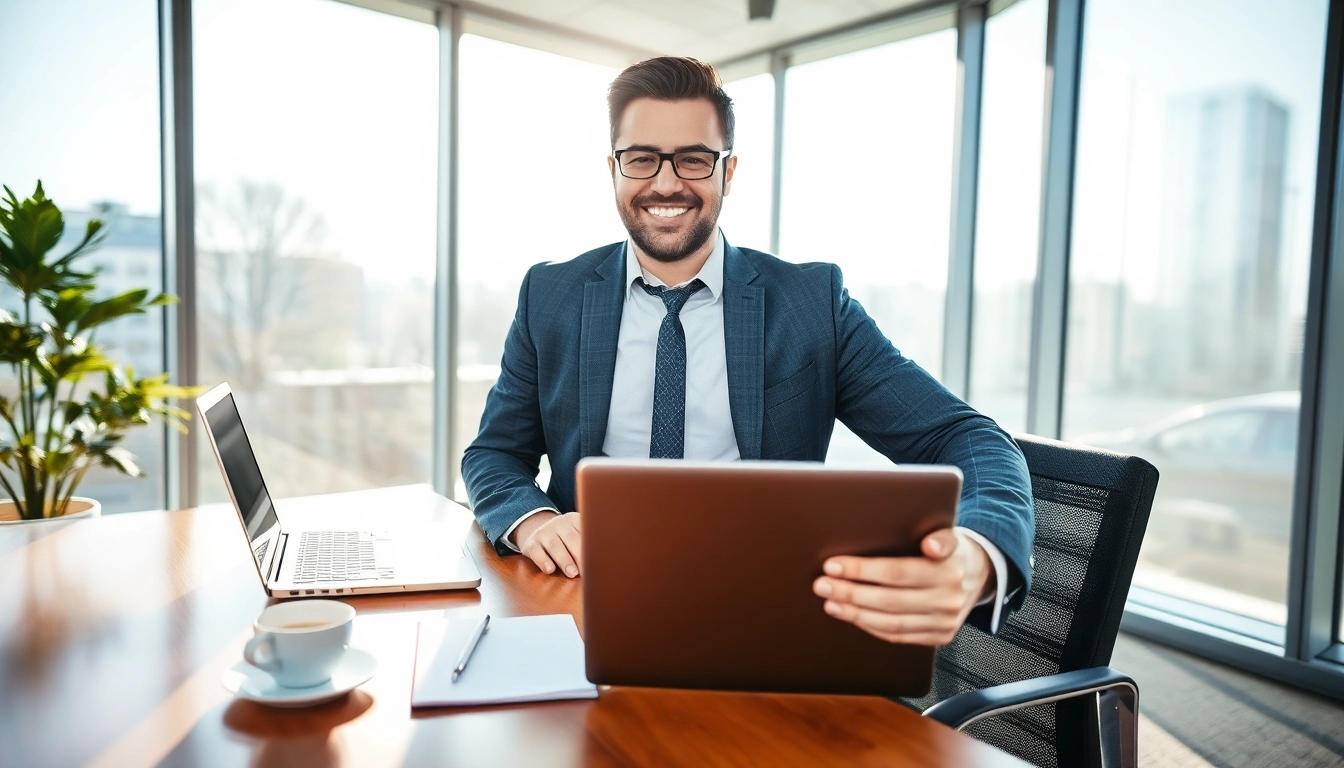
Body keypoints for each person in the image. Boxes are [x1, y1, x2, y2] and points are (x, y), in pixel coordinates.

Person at [462, 56, 1034, 646]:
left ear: (727, 171)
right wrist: (534, 522)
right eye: (641, 158)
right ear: (613, 169)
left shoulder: (812, 303)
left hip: (762, 615)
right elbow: (495, 453)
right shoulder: (550, 295)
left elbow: (964, 435)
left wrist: (978, 552)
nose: (666, 183)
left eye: (693, 158)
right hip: (582, 605)